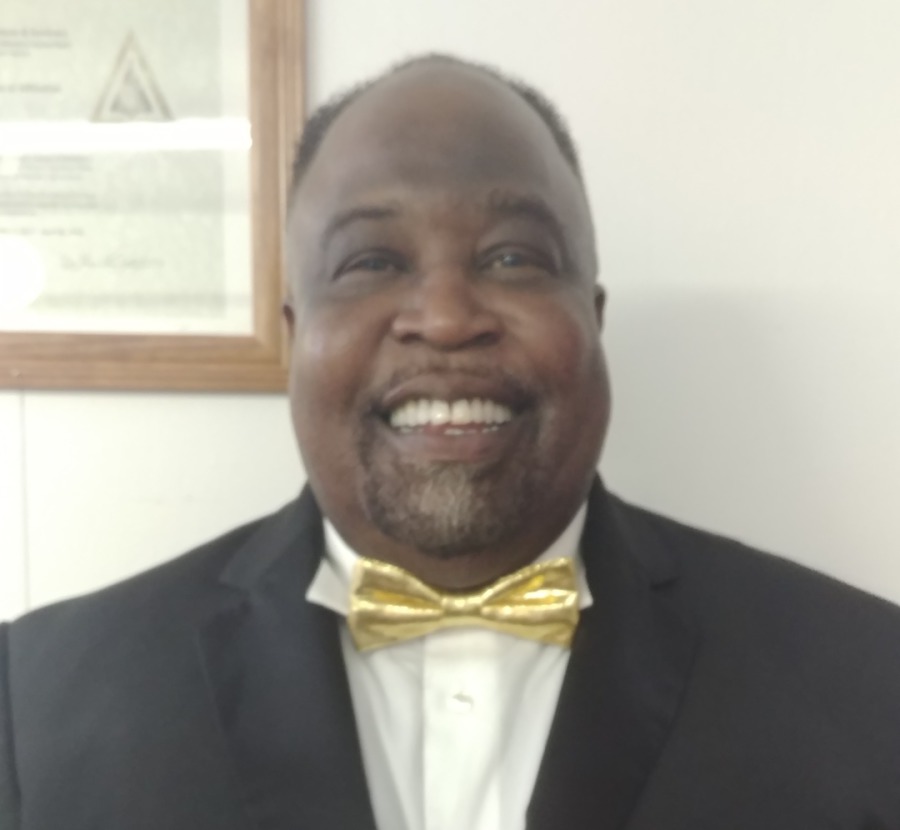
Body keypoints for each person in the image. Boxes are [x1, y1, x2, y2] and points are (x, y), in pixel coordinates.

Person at [2, 54, 899, 830]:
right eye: (371, 262)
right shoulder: (31, 707)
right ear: (296, 333)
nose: (444, 318)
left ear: (592, 320)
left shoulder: (868, 683)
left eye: (513, 258)